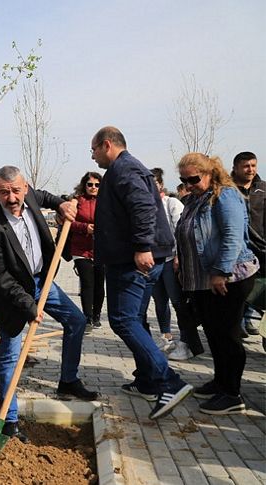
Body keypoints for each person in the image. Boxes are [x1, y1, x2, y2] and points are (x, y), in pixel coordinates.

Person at [0, 166, 98, 442]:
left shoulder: (30, 195)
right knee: (11, 356)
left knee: (77, 321)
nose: (11, 198)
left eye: (15, 191)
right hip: (12, 294)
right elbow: (0, 277)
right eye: (3, 192)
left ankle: (67, 380)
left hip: (42, 281)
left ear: (25, 187)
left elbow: (46, 196)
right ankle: (9, 421)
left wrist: (63, 204)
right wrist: (31, 308)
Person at [91, 126, 192, 420]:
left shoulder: (126, 169)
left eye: (94, 150)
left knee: (122, 320)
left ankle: (169, 382)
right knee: (134, 318)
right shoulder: (124, 169)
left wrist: (142, 246)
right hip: (131, 257)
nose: (93, 157)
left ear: (106, 145)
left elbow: (144, 207)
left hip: (133, 260)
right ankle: (147, 380)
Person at [174, 153, 259, 414]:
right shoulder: (196, 198)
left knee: (227, 334)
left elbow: (233, 236)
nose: (188, 184)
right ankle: (220, 382)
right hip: (205, 280)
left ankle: (232, 394)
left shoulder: (224, 195)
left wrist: (221, 272)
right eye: (183, 179)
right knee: (213, 332)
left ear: (209, 173)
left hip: (230, 277)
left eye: (193, 179)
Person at [147, 168, 187, 350]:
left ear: (161, 184)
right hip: (153, 262)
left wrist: (179, 255)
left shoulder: (172, 203)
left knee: (177, 300)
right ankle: (166, 335)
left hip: (171, 260)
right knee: (160, 300)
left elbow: (181, 232)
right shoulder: (144, 205)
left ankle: (186, 338)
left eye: (154, 182)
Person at [231, 151, 265, 337]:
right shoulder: (227, 189)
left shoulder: (263, 189)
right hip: (239, 249)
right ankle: (240, 322)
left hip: (262, 248)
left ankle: (253, 317)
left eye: (253, 165)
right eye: (246, 166)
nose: (250, 169)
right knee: (240, 288)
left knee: (260, 289)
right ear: (235, 168)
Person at [68, 172, 105, 333]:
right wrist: (85, 228)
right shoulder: (77, 201)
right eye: (90, 184)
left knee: (99, 284)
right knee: (87, 283)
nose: (93, 188)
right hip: (80, 249)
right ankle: (87, 317)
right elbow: (69, 222)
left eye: (97, 185)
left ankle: (97, 315)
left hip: (101, 249)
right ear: (84, 185)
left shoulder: (106, 201)